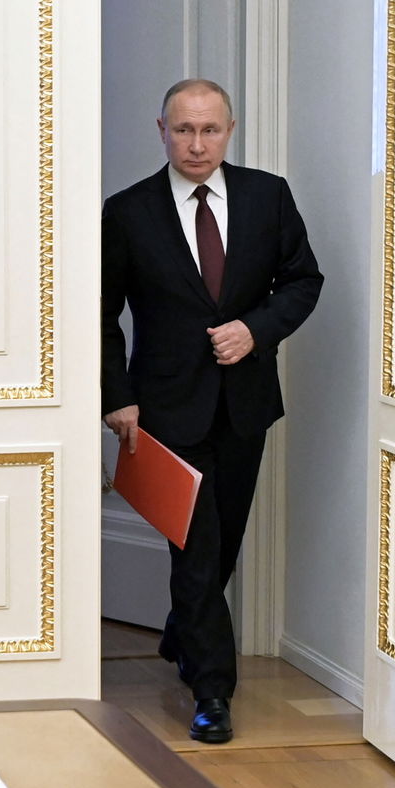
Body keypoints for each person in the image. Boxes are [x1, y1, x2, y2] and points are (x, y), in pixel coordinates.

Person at [101, 79, 323, 743]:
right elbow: (101, 313)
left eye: (209, 130)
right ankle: (213, 692)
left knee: (221, 543)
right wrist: (117, 396)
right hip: (165, 409)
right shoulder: (128, 211)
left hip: (245, 403)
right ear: (161, 129)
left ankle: (181, 632)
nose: (196, 144)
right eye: (183, 130)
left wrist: (257, 329)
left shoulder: (267, 196)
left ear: (230, 129)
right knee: (193, 551)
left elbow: (304, 280)